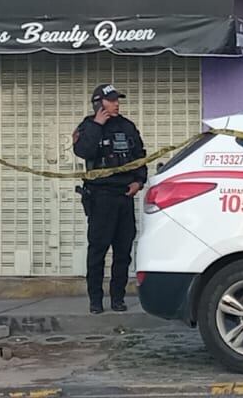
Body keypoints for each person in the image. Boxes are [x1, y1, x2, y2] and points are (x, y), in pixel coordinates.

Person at [72, 84, 147, 315]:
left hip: (124, 196)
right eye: (111, 100)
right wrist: (98, 124)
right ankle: (96, 300)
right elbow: (84, 151)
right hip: (100, 197)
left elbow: (140, 156)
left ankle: (118, 298)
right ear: (99, 103)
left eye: (117, 99)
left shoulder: (127, 126)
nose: (116, 103)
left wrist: (139, 182)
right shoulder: (88, 126)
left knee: (123, 251)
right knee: (98, 251)